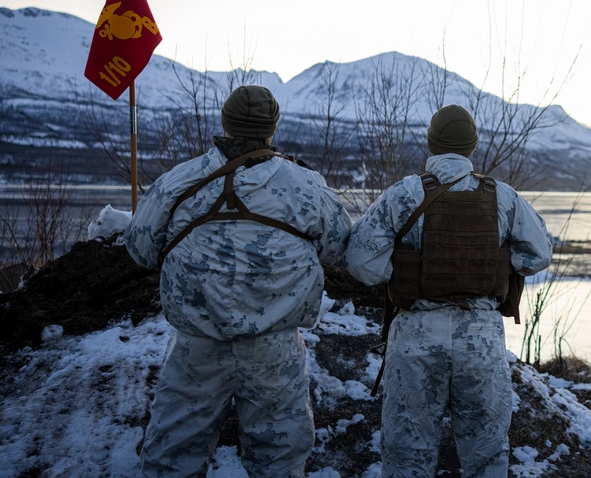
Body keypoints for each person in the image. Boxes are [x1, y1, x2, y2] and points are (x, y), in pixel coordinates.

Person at [124, 85, 351, 478]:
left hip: (196, 345)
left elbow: (141, 249)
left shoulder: (180, 180)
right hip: (274, 349)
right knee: (279, 460)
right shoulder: (305, 186)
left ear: (225, 124)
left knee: (172, 457)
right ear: (271, 130)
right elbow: (338, 246)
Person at [345, 104, 552, 478]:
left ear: (432, 143)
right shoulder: (503, 197)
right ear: (472, 146)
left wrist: (403, 270)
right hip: (481, 338)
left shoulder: (404, 193)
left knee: (408, 453)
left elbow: (361, 262)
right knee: (485, 452)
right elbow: (538, 255)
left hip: (416, 336)